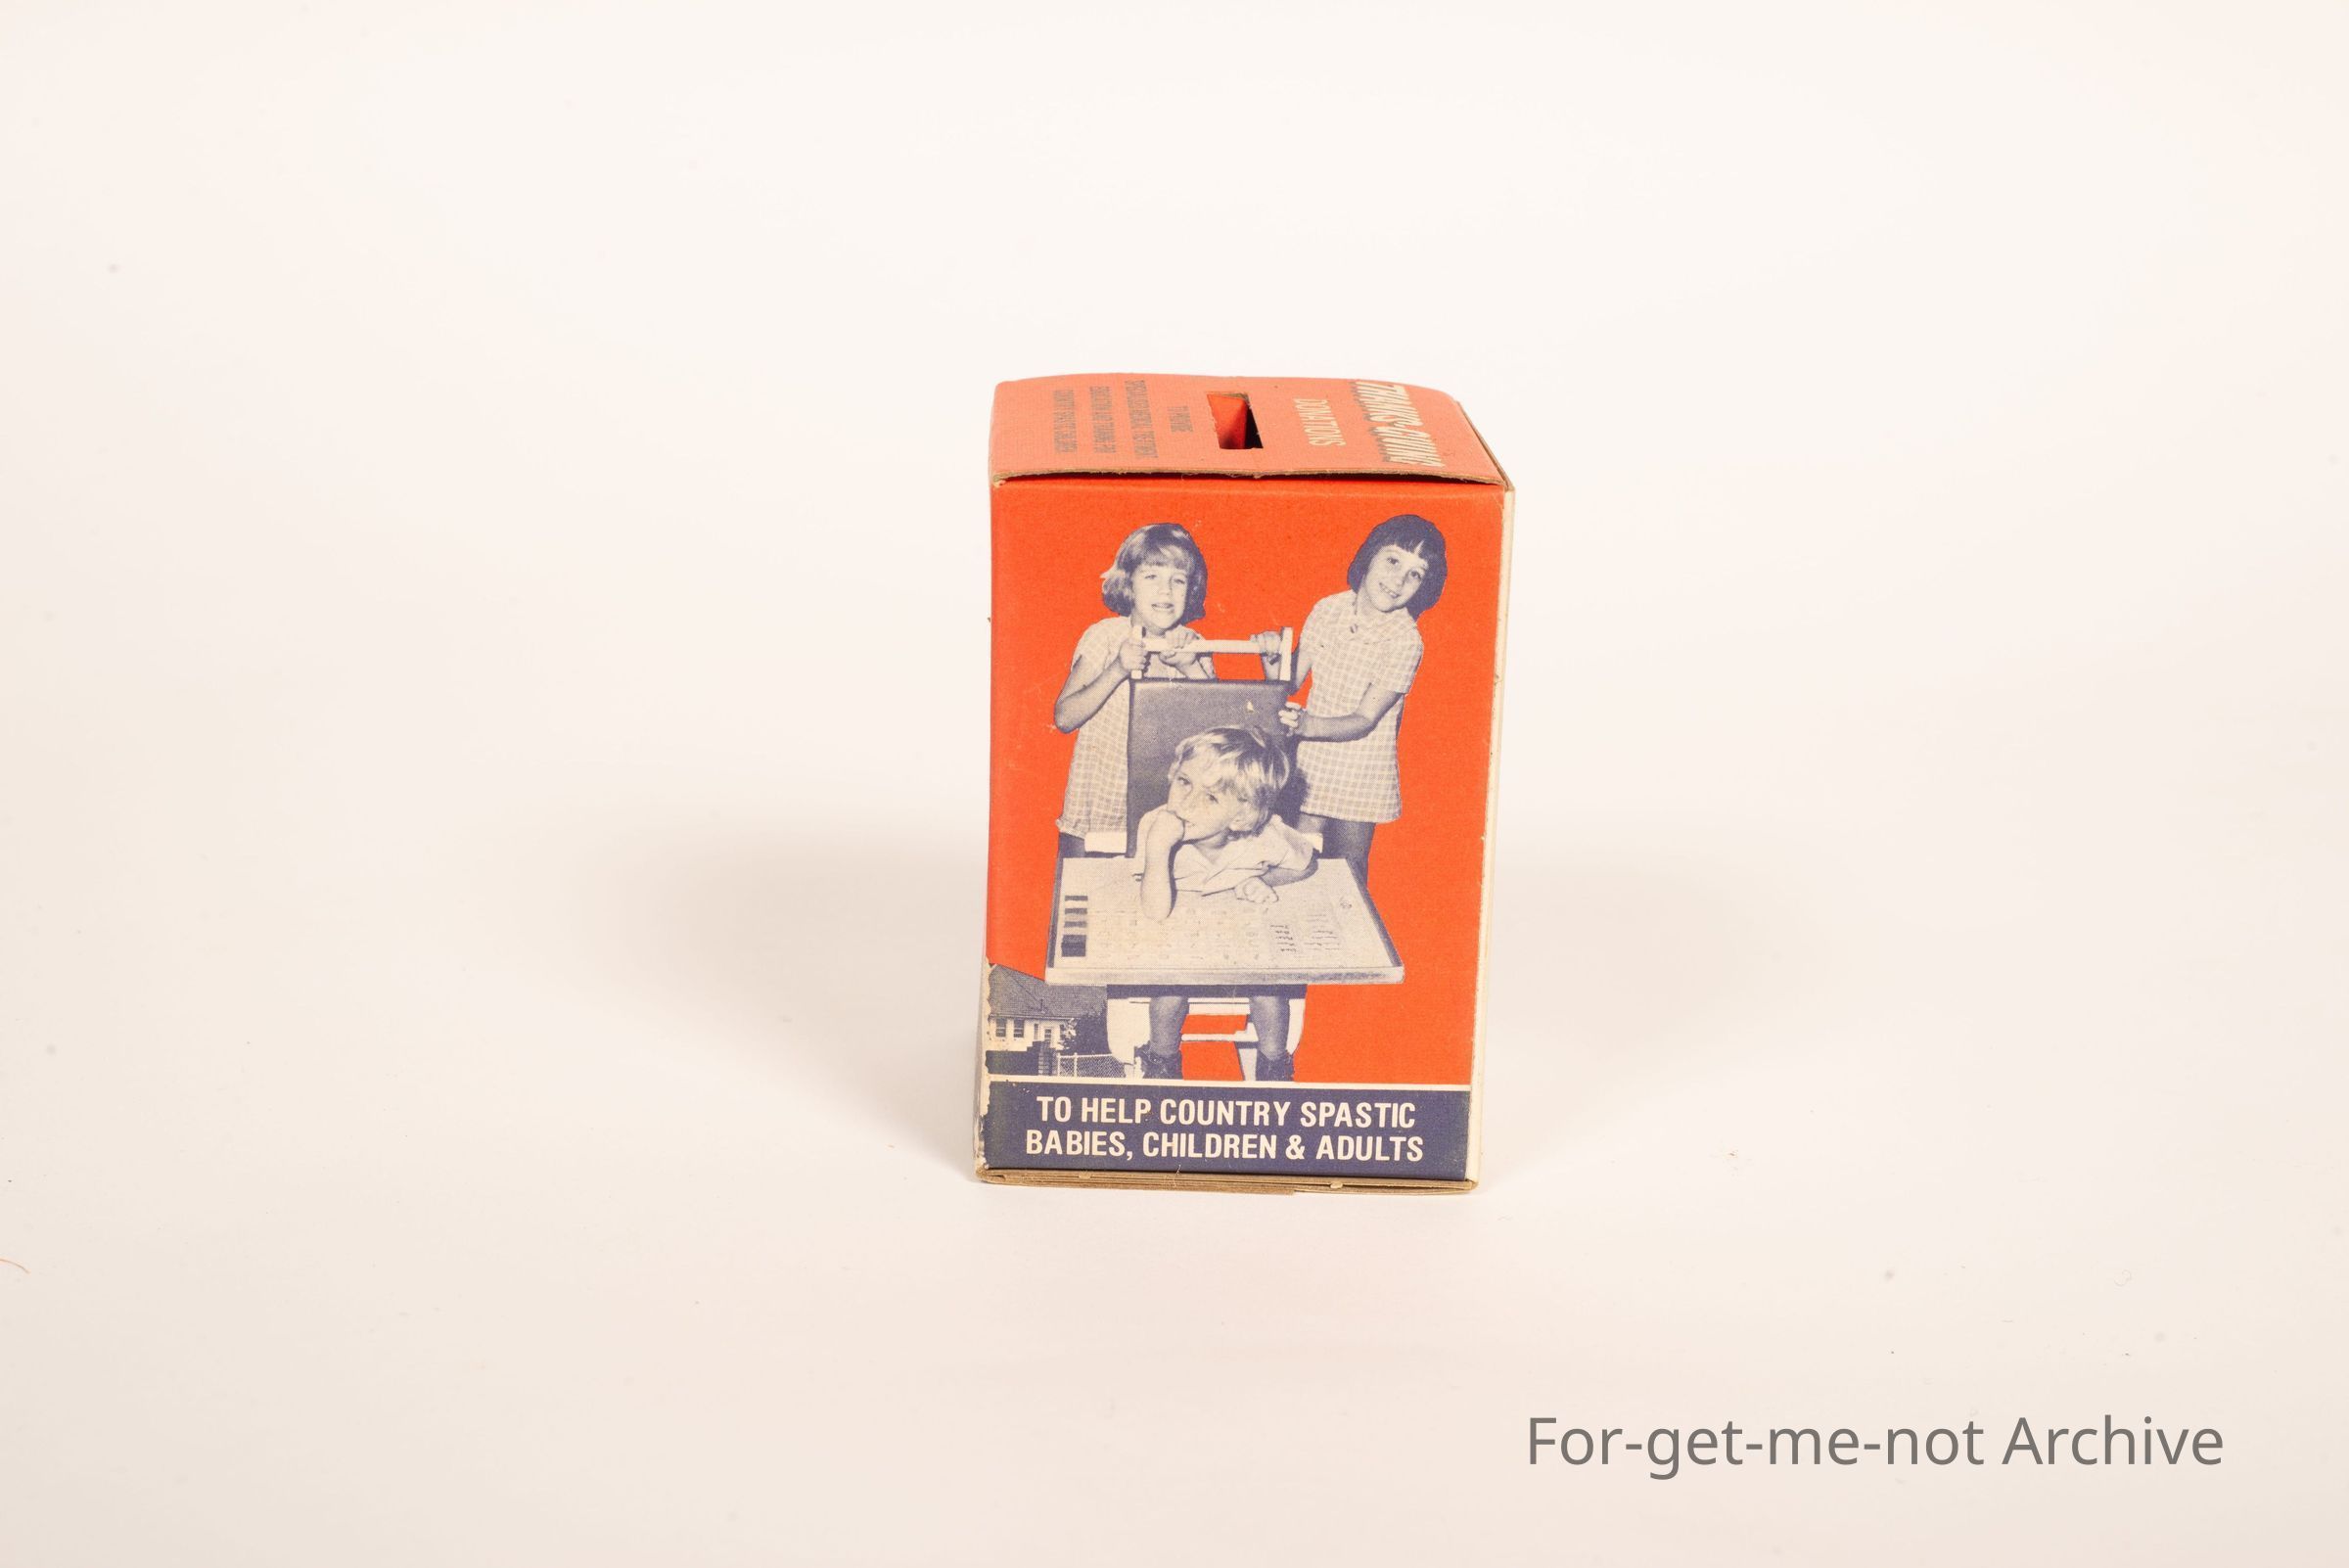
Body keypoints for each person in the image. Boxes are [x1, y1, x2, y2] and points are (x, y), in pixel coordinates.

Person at [1254, 514, 1448, 890]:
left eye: (1415, 574)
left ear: (1424, 586)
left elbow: (1364, 719)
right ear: (1369, 556)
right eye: (1393, 561)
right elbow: (1288, 682)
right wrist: (1270, 653)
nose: (1398, 580)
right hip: (1312, 760)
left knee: (1349, 871)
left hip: (1362, 768)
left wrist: (1308, 725)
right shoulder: (1329, 608)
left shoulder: (1405, 640)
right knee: (1294, 855)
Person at [1132, 726, 1317, 1082]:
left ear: (1241, 816)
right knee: (1168, 994)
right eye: (1184, 782)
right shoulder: (1157, 827)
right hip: (1175, 939)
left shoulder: (1266, 836)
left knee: (1268, 991)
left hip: (1243, 938)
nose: (1186, 803)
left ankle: (1274, 1067)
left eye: (1211, 798)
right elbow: (1155, 912)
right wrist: (1158, 849)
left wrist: (1264, 880)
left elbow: (1307, 863)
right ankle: (1162, 1064)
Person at [1053, 523, 1216, 858]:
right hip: (1099, 800)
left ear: (1191, 590)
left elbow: (1217, 727)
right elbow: (1065, 717)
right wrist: (1118, 668)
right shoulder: (1105, 635)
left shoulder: (1195, 645)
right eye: (1151, 576)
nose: (1165, 591)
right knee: (1085, 883)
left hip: (1162, 803)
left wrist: (1190, 666)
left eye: (1178, 580)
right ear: (1129, 584)